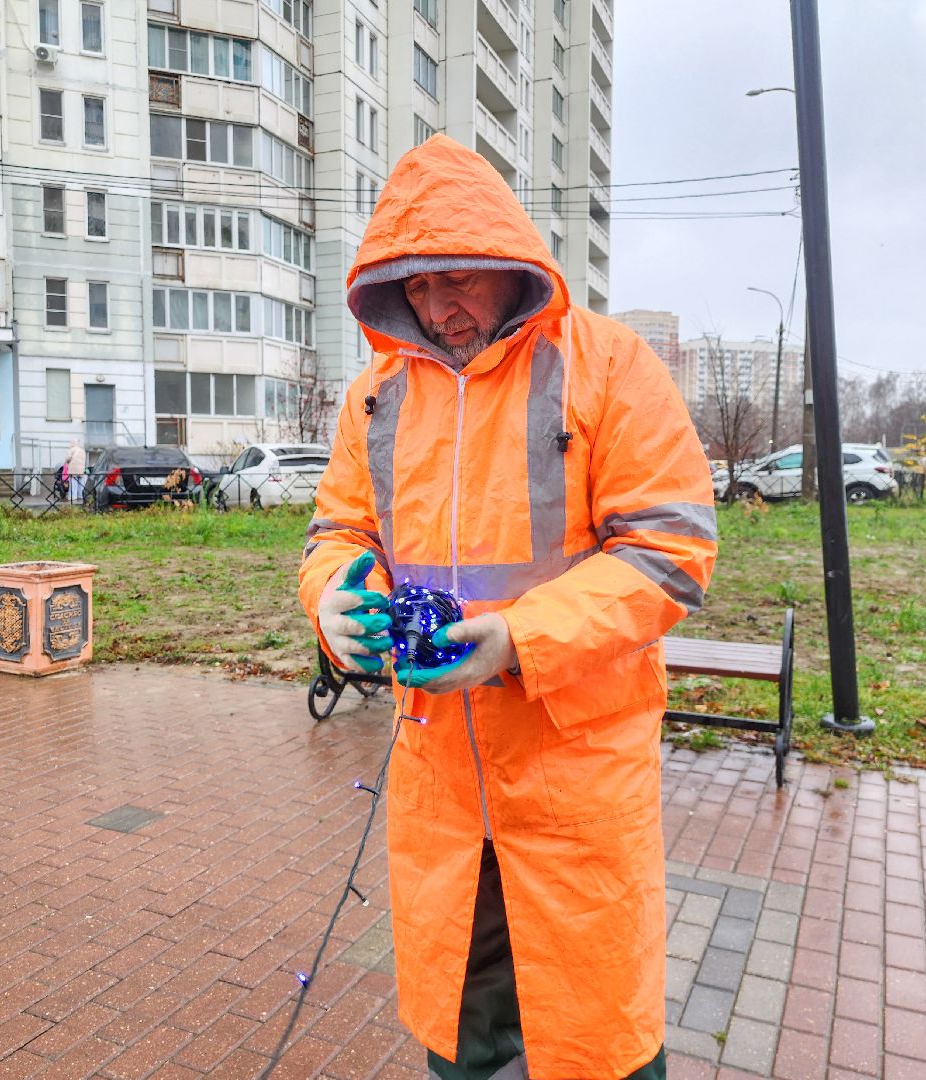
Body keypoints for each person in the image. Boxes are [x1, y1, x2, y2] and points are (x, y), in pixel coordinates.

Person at [298, 135, 718, 1080]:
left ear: (507, 262)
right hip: (441, 771)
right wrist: (333, 600)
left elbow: (671, 551)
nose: (440, 306)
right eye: (418, 284)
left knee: (597, 1032)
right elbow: (341, 531)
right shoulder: (376, 397)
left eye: (462, 279)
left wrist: (518, 640)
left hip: (574, 769)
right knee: (463, 1027)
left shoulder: (608, 367)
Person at [62, 437, 86, 505]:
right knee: (81, 483)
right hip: (81, 469)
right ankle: (80, 496)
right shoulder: (82, 450)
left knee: (74, 483)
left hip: (73, 469)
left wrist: (67, 460)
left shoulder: (71, 450)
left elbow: (68, 459)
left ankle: (73, 497)